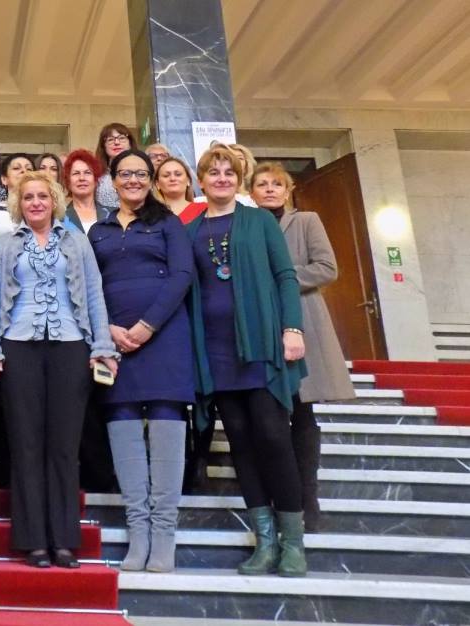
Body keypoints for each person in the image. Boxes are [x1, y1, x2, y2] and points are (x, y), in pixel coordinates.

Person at [0, 170, 118, 569]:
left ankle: (63, 540)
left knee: (63, 445)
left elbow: (94, 291)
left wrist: (103, 345)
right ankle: (33, 541)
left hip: (71, 346)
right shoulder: (6, 244)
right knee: (25, 445)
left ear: (54, 201)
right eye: (28, 198)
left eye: (43, 196)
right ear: (18, 204)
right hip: (18, 346)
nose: (36, 203)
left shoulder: (76, 240)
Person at [186, 145, 307, 577]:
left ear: (238, 180)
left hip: (259, 347)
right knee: (240, 445)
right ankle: (265, 543)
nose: (221, 178)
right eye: (213, 172)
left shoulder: (259, 221)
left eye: (228, 172)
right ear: (200, 181)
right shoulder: (190, 229)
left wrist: (292, 329)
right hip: (215, 352)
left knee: (273, 438)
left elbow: (286, 277)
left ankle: (294, 543)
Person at [89, 150, 194, 573]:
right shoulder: (98, 229)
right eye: (124, 173)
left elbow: (184, 276)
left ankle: (164, 536)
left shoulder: (168, 222)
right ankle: (139, 534)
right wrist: (110, 330)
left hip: (164, 336)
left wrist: (148, 325)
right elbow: (89, 283)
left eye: (140, 173)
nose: (132, 179)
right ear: (112, 180)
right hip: (113, 343)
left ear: (150, 179)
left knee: (167, 428)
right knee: (123, 428)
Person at [250, 161, 355, 532]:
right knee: (271, 416)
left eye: (276, 184)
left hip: (303, 321)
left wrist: (282, 279)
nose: (269, 190)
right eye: (261, 184)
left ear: (288, 188)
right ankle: (284, 496)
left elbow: (326, 267)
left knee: (303, 414)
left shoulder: (306, 220)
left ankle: (309, 499)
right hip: (261, 326)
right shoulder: (248, 226)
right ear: (251, 191)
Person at [0, 153, 33, 245]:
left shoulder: (40, 208)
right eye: (16, 168)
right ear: (4, 179)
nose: (24, 171)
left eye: (29, 169)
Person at [62, 149, 115, 234]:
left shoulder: (113, 214)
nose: (82, 178)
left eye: (87, 173)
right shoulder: (60, 218)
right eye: (76, 173)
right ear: (68, 181)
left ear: (95, 179)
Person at [94, 123, 137, 207]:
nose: (117, 142)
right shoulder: (97, 175)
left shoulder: (142, 171)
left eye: (122, 138)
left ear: (130, 143)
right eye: (110, 140)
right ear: (103, 146)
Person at [154, 157, 195, 221]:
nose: (172, 178)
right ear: (157, 184)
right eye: (166, 175)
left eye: (178, 174)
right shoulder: (150, 215)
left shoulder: (204, 211)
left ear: (188, 181)